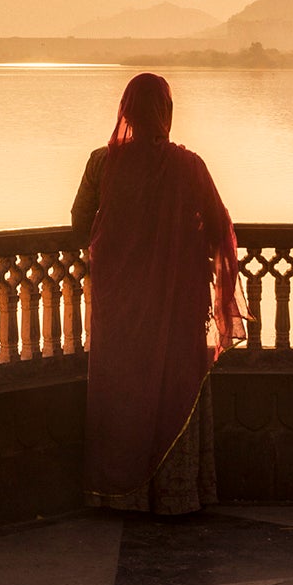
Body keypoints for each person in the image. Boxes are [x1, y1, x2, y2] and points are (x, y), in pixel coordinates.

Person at [71, 72, 245, 513]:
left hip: (120, 301)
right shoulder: (190, 166)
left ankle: (121, 497)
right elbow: (219, 226)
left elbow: (79, 222)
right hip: (176, 300)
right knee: (174, 383)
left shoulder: (101, 163)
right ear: (166, 112)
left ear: (125, 112)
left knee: (121, 386)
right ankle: (176, 497)